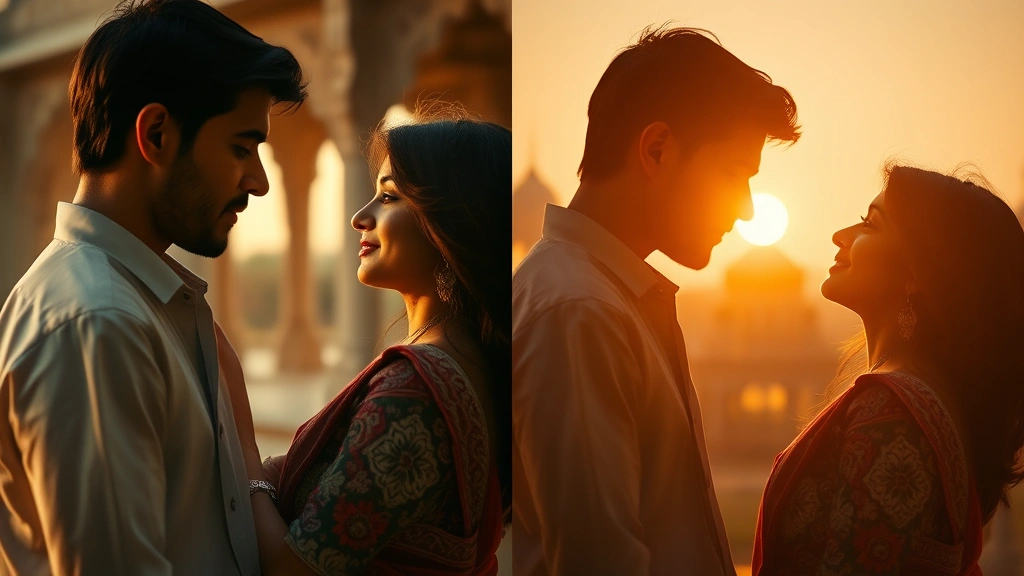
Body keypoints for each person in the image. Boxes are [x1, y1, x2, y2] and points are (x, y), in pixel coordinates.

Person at [0, 1, 307, 573]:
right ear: (157, 133)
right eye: (241, 147)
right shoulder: (97, 324)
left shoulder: (140, 305)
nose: (258, 182)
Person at [512, 25, 800, 576]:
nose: (744, 209)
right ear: (657, 149)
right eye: (735, 173)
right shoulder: (580, 311)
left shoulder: (605, 296)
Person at [216, 110, 512, 575]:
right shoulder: (468, 364)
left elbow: (290, 570)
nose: (360, 216)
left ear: (449, 221)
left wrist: (243, 442)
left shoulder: (415, 396)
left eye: (389, 197)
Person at [752, 164, 1024, 575]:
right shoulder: (921, 395)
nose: (840, 235)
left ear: (918, 271)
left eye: (870, 224)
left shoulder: (893, 414)